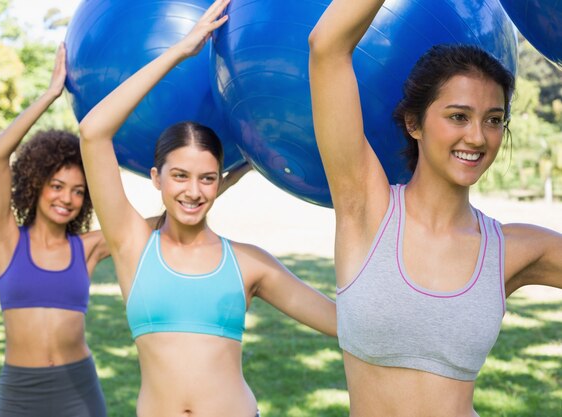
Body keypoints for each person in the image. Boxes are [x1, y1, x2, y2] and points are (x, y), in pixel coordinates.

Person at [78, 1, 337, 416]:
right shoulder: (132, 244)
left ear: (220, 181)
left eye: (206, 178)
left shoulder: (249, 263)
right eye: (179, 176)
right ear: (156, 178)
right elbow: (93, 131)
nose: (193, 191)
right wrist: (181, 50)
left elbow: (345, 326)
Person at [309, 1, 562, 416]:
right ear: (414, 123)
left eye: (494, 120)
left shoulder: (514, 249)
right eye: (458, 116)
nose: (478, 138)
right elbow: (327, 46)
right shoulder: (366, 206)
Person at [0, 44, 110, 417]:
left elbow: (165, 218)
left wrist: (223, 181)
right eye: (57, 185)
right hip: (20, 393)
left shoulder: (87, 248)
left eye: (78, 191)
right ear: (37, 183)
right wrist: (51, 93)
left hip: (79, 390)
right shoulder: (8, 239)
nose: (66, 199)